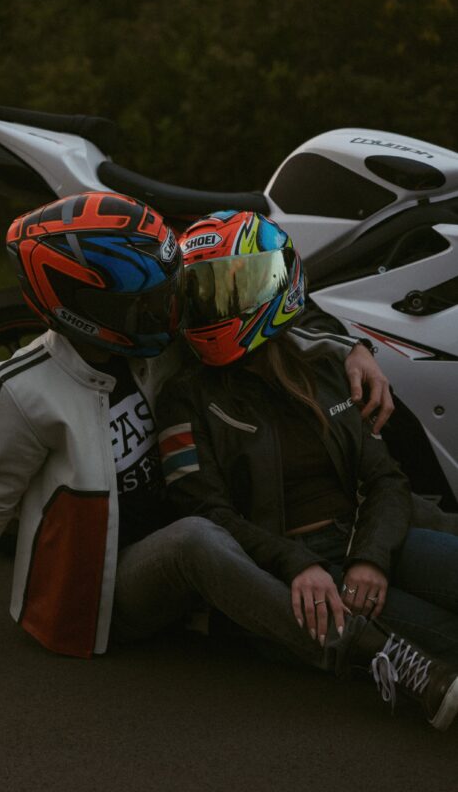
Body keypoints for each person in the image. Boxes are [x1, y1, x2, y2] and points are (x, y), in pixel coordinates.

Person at [0, 193, 392, 666]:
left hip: (205, 557)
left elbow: (268, 304)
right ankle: (377, 659)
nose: (167, 314)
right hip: (103, 594)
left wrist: (352, 348)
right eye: (146, 304)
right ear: (87, 308)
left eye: (165, 297)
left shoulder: (157, 344)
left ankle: (305, 617)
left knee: (212, 531)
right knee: (198, 537)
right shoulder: (23, 390)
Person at [155, 209, 458, 729]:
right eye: (203, 291)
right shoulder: (182, 399)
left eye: (234, 287)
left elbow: (385, 478)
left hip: (369, 540)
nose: (217, 305)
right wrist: (296, 562)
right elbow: (208, 514)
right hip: (295, 569)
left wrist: (371, 558)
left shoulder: (326, 367)